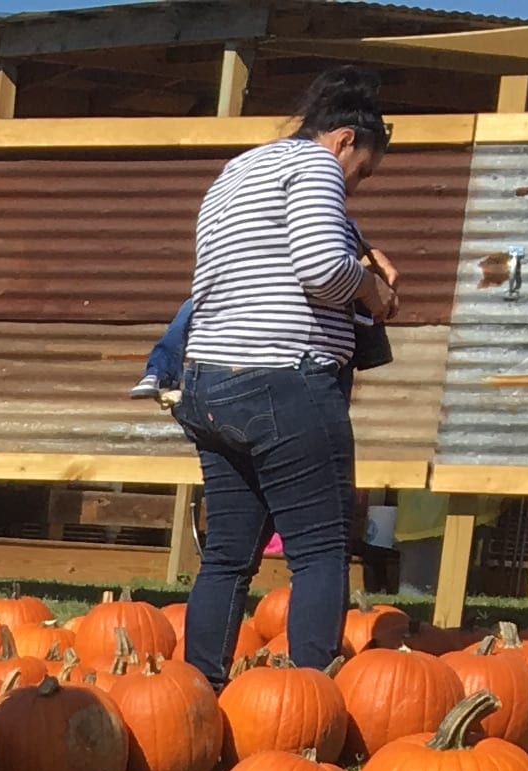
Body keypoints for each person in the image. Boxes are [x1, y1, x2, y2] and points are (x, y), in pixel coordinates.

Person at [171, 69, 398, 684]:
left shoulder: (240, 171)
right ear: (345, 140)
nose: (357, 185)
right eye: (364, 171)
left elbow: (261, 263)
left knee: (226, 557)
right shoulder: (318, 168)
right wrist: (373, 292)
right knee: (320, 551)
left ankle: (201, 693)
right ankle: (309, 703)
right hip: (285, 381)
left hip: (210, 382)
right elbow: (322, 269)